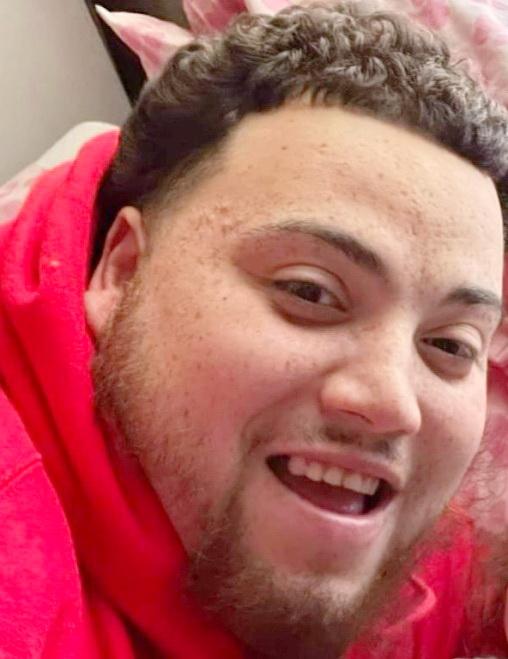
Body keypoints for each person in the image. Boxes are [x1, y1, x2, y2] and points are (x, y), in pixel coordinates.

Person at [1, 2, 507, 657]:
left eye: (449, 343)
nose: (392, 406)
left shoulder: (409, 528)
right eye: (309, 292)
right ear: (123, 271)